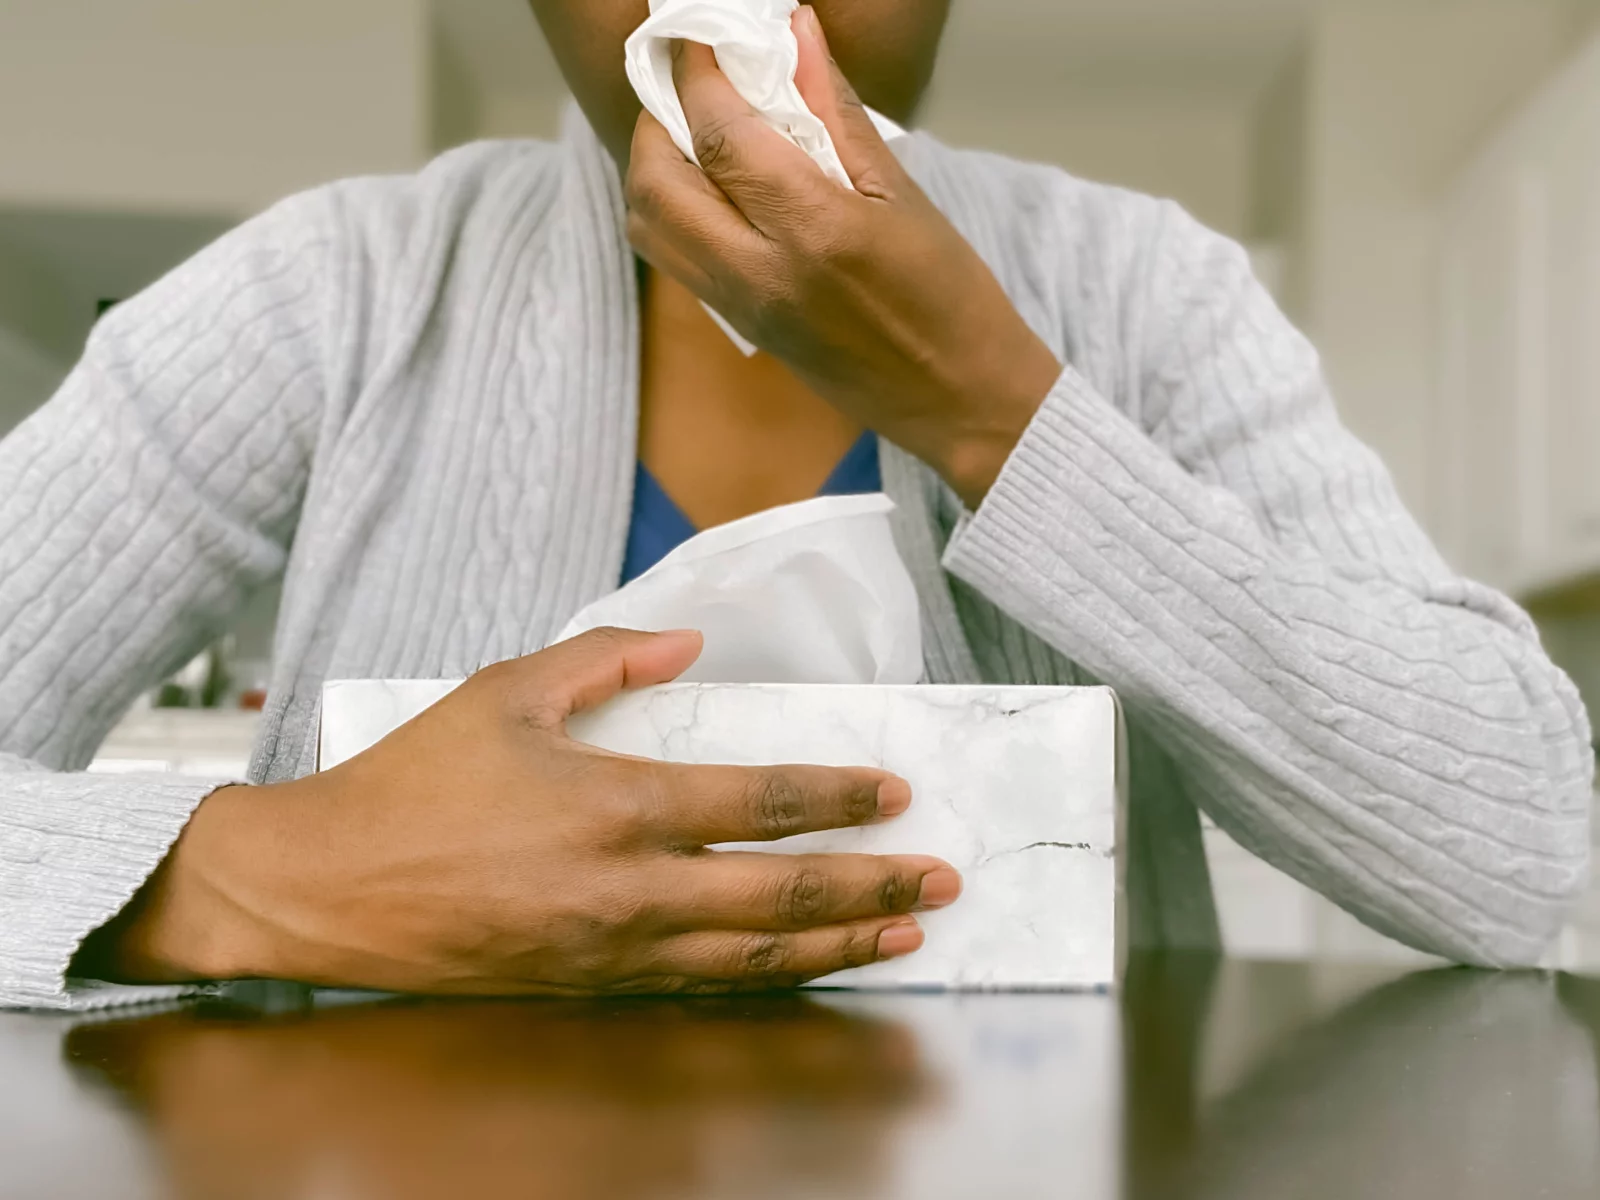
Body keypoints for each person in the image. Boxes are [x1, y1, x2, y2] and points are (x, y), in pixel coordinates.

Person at [0, 1, 1590, 1010]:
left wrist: (992, 405)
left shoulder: (1146, 290)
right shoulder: (331, 298)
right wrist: (262, 869)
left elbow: (1527, 853)